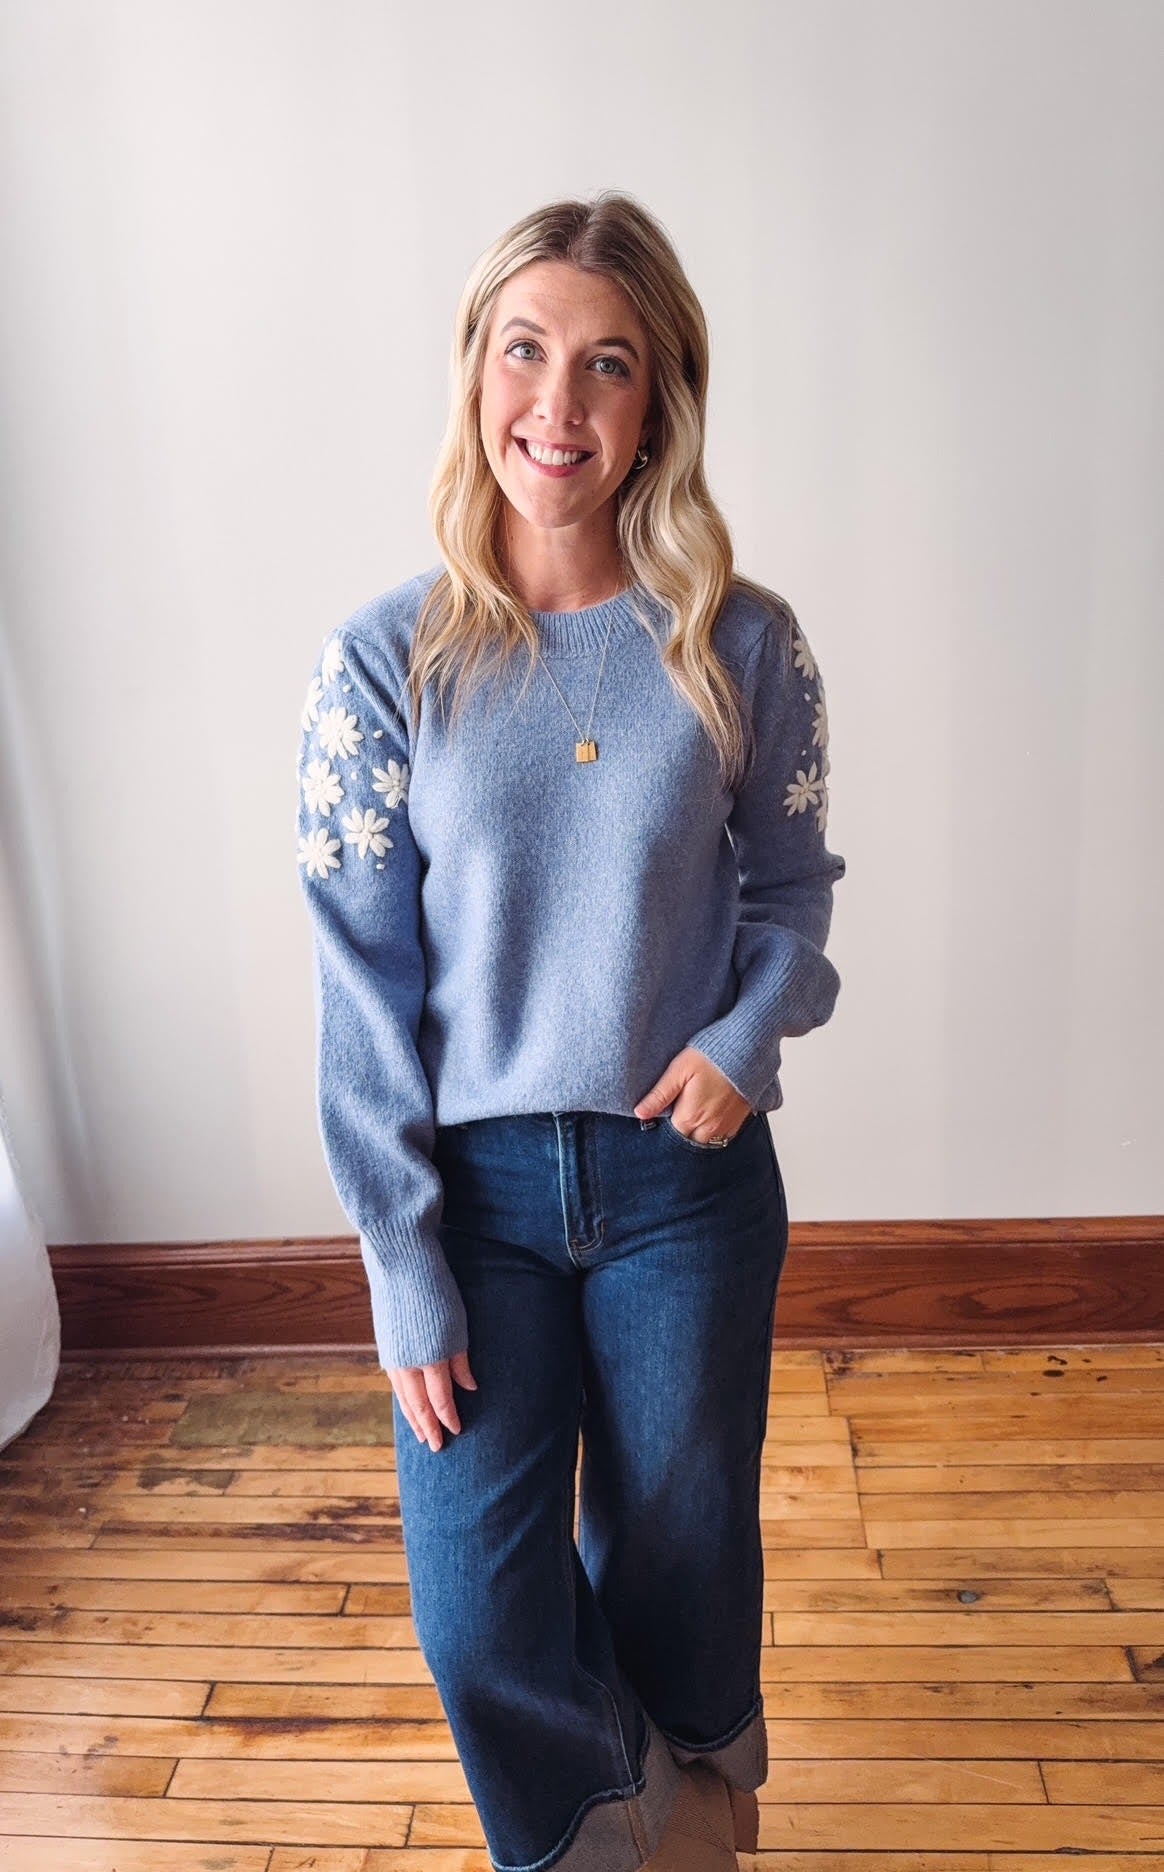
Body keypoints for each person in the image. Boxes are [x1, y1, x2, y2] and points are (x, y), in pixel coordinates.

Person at [295, 191, 845, 1872]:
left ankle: (691, 1811)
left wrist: (747, 1041)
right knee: (480, 1619)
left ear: (662, 398)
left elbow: (796, 897)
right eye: (526, 350)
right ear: (475, 375)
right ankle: (664, 1831)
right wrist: (402, 1258)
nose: (561, 401)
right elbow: (361, 984)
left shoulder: (743, 642)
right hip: (477, 1206)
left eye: (609, 364)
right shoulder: (384, 664)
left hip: (685, 1186)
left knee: (680, 1558)